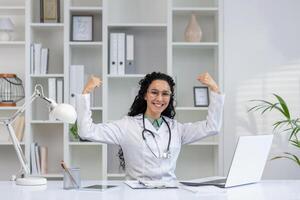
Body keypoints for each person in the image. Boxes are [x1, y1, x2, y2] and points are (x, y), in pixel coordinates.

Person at [76, 72, 225, 181]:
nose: (159, 98)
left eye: (165, 94)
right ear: (145, 95)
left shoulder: (177, 129)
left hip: (170, 193)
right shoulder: (127, 125)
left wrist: (215, 90)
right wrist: (86, 93)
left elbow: (212, 127)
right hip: (136, 194)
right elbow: (86, 131)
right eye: (154, 92)